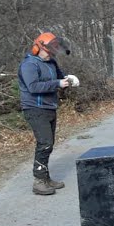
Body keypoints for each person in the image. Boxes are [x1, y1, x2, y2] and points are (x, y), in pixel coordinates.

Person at [18, 32, 79, 196]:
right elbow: (34, 87)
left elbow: (59, 78)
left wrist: (68, 80)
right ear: (39, 47)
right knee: (44, 143)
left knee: (49, 143)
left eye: (54, 50)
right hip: (34, 108)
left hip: (49, 107)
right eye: (49, 50)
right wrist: (57, 83)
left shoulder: (51, 62)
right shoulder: (29, 65)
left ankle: (45, 177)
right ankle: (38, 181)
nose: (51, 53)